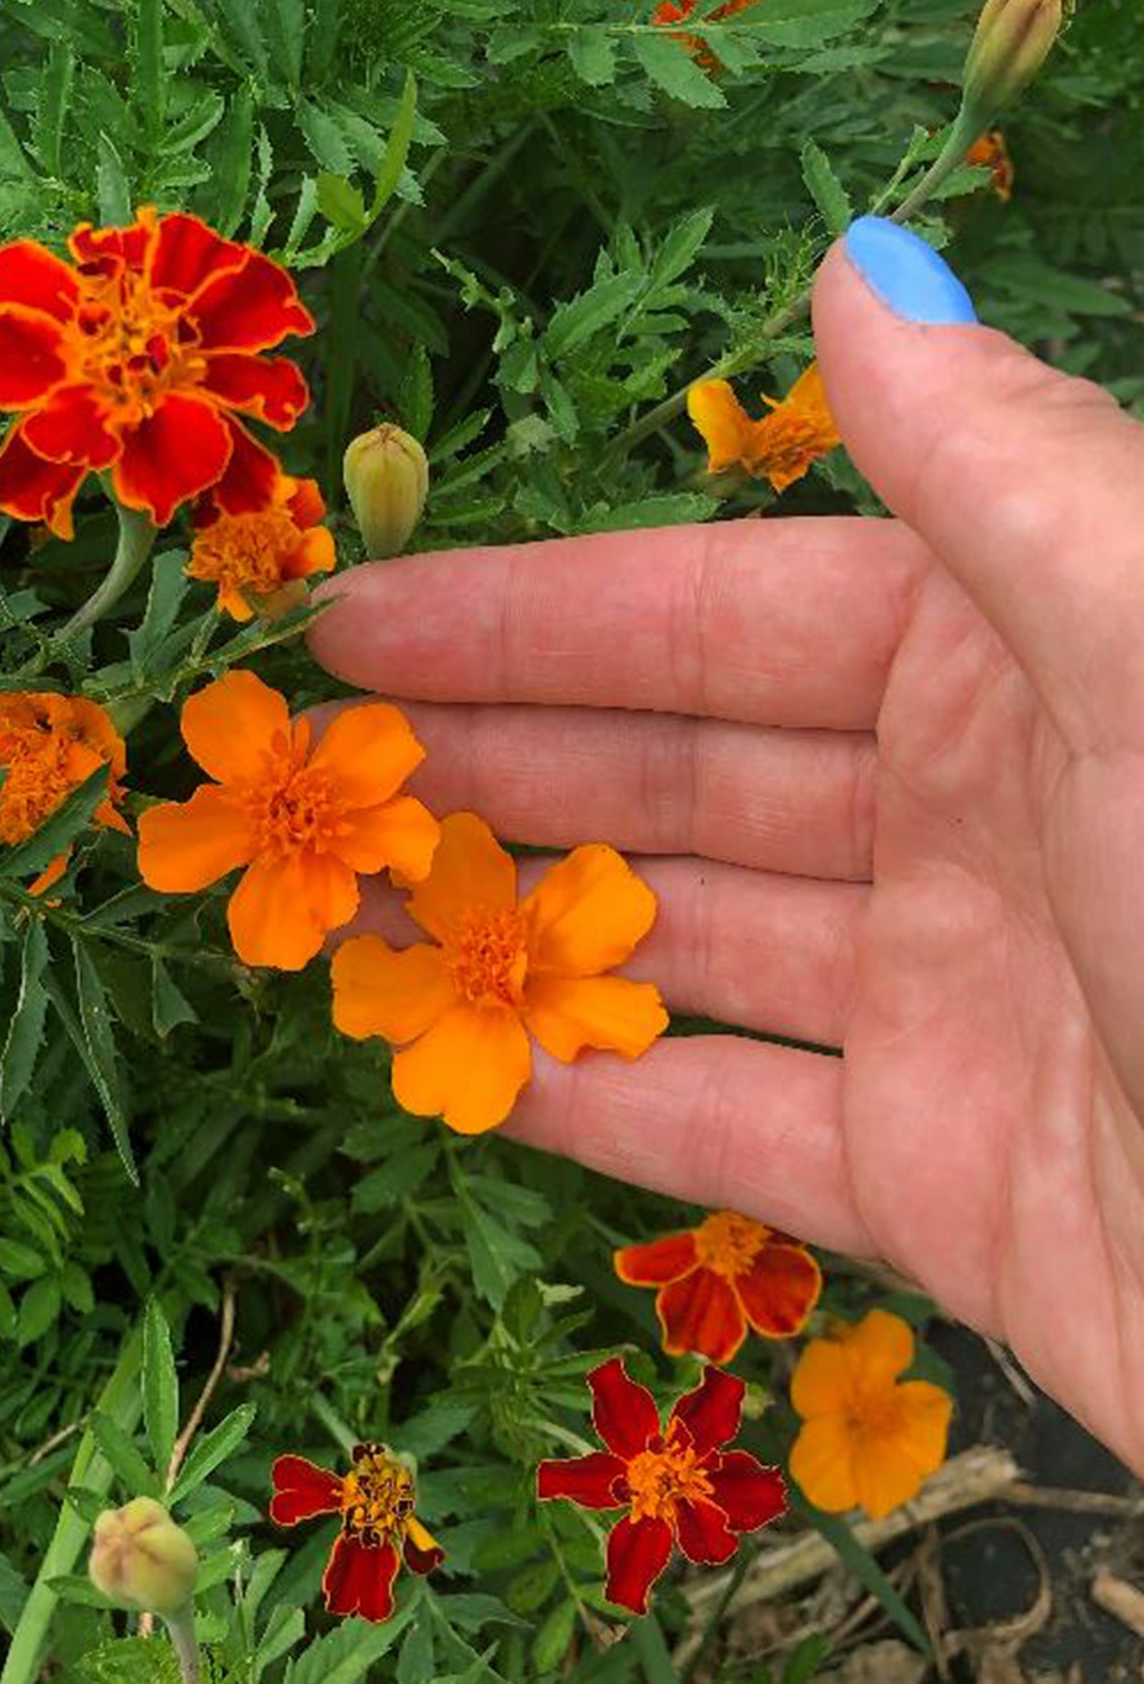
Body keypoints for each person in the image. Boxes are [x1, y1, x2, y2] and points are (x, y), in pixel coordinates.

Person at [309, 217, 1144, 1476]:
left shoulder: (539, 928)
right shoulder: (443, 937)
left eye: (489, 951)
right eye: (487, 952)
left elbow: (571, 915)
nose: (490, 951)